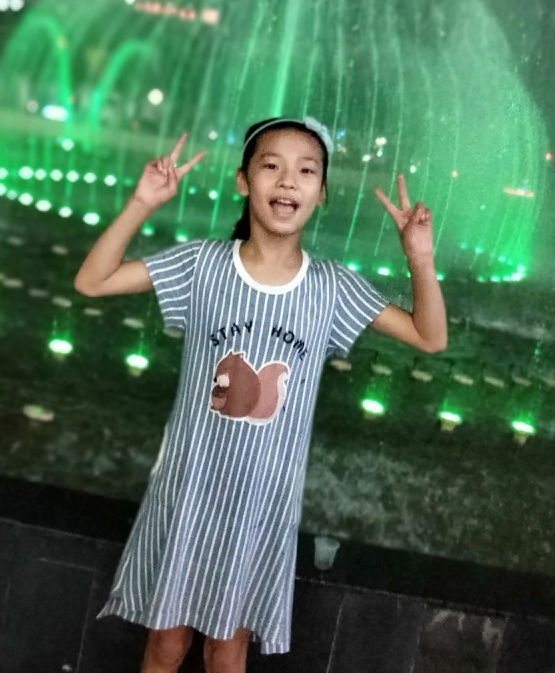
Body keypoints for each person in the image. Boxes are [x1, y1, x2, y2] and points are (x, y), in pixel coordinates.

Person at [74, 116, 447, 673]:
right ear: (244, 181)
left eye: (306, 171)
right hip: (188, 490)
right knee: (166, 645)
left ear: (322, 193)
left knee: (227, 653)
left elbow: (429, 336)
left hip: (261, 505)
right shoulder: (202, 265)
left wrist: (419, 256)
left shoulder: (331, 287)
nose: (288, 181)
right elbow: (92, 281)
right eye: (271, 166)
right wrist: (142, 203)